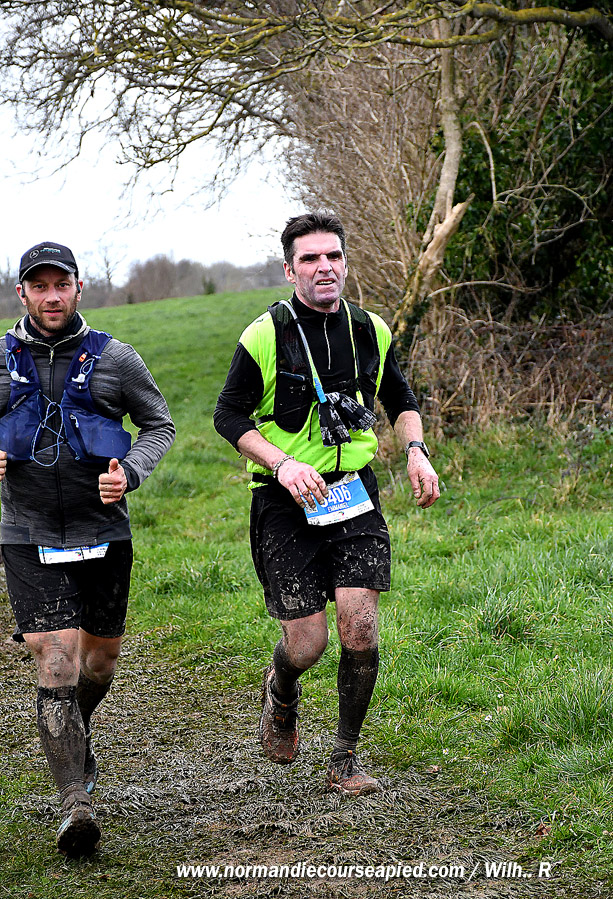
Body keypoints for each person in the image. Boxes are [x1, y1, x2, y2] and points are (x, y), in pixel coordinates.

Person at [214, 210, 439, 795]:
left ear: (345, 262)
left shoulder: (371, 329)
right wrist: (282, 464)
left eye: (333, 256)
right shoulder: (264, 335)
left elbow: (401, 398)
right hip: (285, 499)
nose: (324, 267)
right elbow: (228, 415)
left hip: (353, 493)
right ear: (290, 271)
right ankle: (281, 687)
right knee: (308, 643)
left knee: (360, 626)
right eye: (310, 258)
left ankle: (345, 758)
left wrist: (416, 451)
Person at [0, 242, 175, 857]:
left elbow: (159, 424)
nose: (51, 297)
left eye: (61, 284)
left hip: (102, 532)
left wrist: (131, 471)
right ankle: (75, 802)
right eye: (39, 286)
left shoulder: (116, 359)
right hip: (26, 532)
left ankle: (74, 732)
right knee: (56, 659)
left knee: (99, 664)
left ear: (79, 288)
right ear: (22, 293)